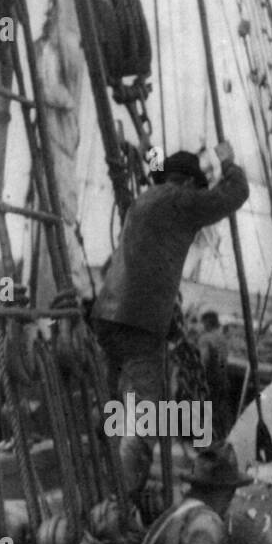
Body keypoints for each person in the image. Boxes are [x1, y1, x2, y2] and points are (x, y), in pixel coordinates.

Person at [91, 143, 249, 505]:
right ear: (191, 183)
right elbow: (236, 193)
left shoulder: (142, 201)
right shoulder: (183, 201)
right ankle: (116, 508)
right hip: (141, 324)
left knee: (114, 410)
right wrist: (227, 161)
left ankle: (100, 488)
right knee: (143, 420)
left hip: (107, 318)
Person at [197, 309, 233, 441]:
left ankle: (204, 441)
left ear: (207, 323)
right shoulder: (222, 338)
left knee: (204, 409)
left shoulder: (206, 339)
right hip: (222, 379)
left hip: (210, 379)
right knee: (218, 410)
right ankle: (220, 440)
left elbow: (203, 361)